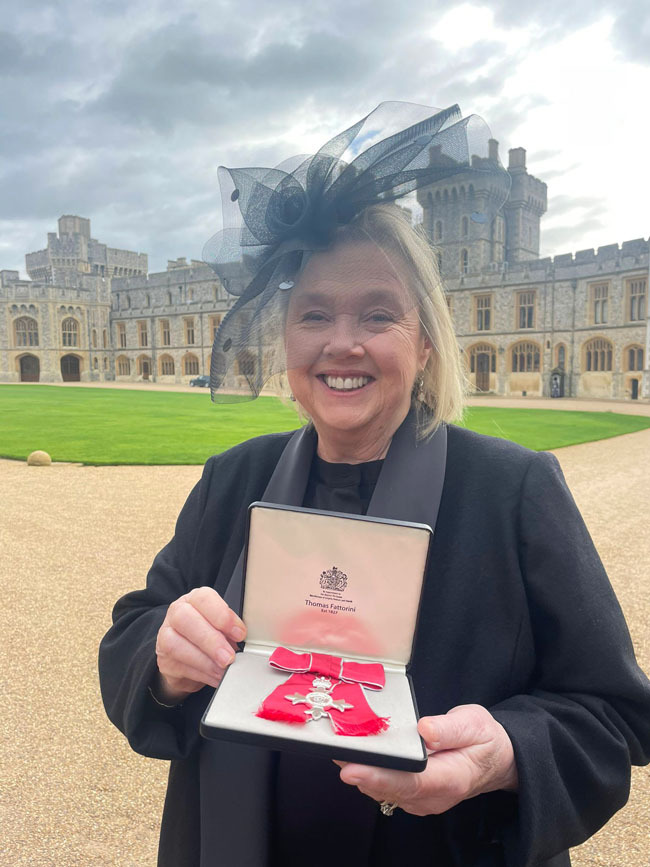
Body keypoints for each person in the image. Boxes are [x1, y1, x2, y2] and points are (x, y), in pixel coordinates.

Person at [99, 104, 650, 867]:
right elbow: (132, 632)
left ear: (425, 343)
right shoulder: (235, 479)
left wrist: (504, 752)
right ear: (286, 339)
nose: (342, 343)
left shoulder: (513, 489)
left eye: (378, 314)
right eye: (313, 314)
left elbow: (611, 715)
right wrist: (162, 652)